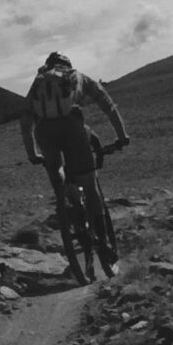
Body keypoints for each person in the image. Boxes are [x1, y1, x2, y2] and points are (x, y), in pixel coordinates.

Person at [20, 52, 130, 269]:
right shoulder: (77, 76)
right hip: (72, 128)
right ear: (67, 65)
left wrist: (32, 153)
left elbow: (25, 120)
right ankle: (104, 243)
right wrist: (122, 135)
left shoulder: (39, 83)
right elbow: (108, 105)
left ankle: (74, 215)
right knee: (90, 187)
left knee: (62, 183)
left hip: (44, 132)